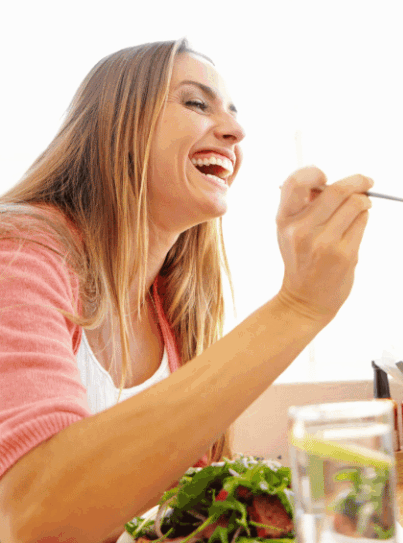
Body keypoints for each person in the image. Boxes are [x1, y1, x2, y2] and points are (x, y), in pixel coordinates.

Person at [0, 39, 373, 543]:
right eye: (197, 103)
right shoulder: (18, 252)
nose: (236, 131)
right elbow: (36, 516)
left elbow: (174, 519)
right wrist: (298, 307)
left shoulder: (173, 307)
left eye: (234, 113)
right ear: (117, 127)